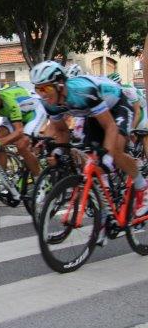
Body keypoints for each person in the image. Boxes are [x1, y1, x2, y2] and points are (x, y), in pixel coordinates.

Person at [30, 61, 148, 219]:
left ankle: (142, 188)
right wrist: (56, 148)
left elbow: (110, 127)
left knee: (114, 152)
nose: (43, 94)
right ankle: (106, 211)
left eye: (47, 88)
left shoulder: (82, 91)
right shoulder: (49, 103)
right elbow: (61, 130)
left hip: (117, 106)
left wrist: (106, 155)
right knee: (89, 158)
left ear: (60, 84)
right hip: (92, 114)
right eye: (39, 89)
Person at [0, 78, 47, 177]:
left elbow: (19, 131)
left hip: (33, 113)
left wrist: (0, 142)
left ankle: (40, 180)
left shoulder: (9, 102)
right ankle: (3, 178)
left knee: (21, 145)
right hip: (13, 116)